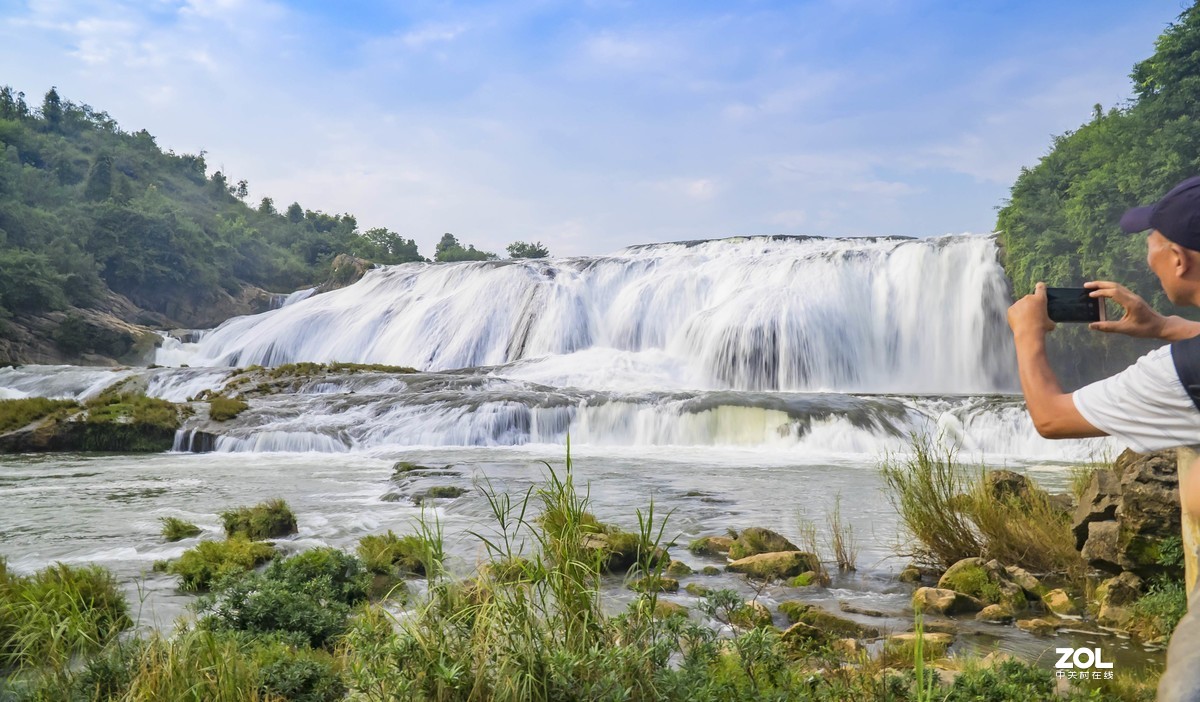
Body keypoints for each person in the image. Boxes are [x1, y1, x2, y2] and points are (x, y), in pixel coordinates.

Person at [1007, 175, 1200, 701]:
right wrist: (1166, 326)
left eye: (1153, 240)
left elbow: (1051, 418)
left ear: (1179, 260)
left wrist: (1026, 333)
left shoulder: (1180, 375)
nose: (1148, 253)